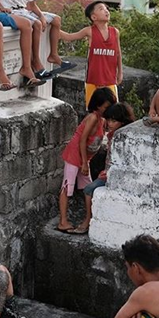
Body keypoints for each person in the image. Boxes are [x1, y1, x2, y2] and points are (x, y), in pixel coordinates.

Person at [57, 87, 116, 234]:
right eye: (106, 107)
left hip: (85, 158)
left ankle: (89, 218)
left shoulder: (102, 120)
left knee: (88, 187)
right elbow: (82, 140)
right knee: (67, 186)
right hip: (75, 156)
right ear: (98, 106)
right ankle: (63, 221)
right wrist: (84, 163)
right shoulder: (92, 118)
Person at [78, 102, 135, 234]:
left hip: (115, 174)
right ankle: (89, 218)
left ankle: (87, 220)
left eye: (113, 121)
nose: (109, 123)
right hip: (108, 172)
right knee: (89, 189)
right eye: (109, 120)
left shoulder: (122, 138)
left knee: (88, 189)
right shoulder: (111, 136)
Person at [60, 1, 122, 109]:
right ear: (94, 17)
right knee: (94, 112)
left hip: (110, 79)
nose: (106, 11)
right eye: (101, 9)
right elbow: (69, 37)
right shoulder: (89, 31)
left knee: (112, 111)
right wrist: (53, 26)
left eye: (107, 8)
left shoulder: (115, 32)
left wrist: (120, 72)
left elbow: (118, 54)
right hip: (93, 80)